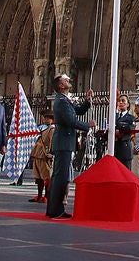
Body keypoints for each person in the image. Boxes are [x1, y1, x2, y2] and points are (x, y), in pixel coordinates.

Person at [47, 73, 94, 220]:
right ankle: (56, 210)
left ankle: (55, 209)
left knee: (60, 176)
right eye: (65, 80)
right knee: (60, 177)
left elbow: (77, 111)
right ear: (61, 85)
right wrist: (88, 126)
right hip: (63, 142)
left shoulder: (64, 100)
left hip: (65, 142)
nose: (69, 80)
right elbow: (70, 120)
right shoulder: (61, 101)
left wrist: (87, 101)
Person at [28, 110, 54, 203]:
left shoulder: (52, 129)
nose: (45, 119)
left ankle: (46, 196)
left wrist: (51, 154)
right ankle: (39, 195)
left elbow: (52, 142)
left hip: (44, 155)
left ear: (52, 119)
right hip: (37, 154)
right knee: (38, 177)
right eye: (44, 117)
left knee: (46, 177)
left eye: (47, 118)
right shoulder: (41, 128)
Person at [114, 95, 135, 169]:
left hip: (125, 149)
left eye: (123, 101)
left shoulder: (130, 118)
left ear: (128, 104)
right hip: (115, 148)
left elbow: (130, 128)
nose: (120, 103)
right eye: (119, 101)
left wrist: (119, 128)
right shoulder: (115, 116)